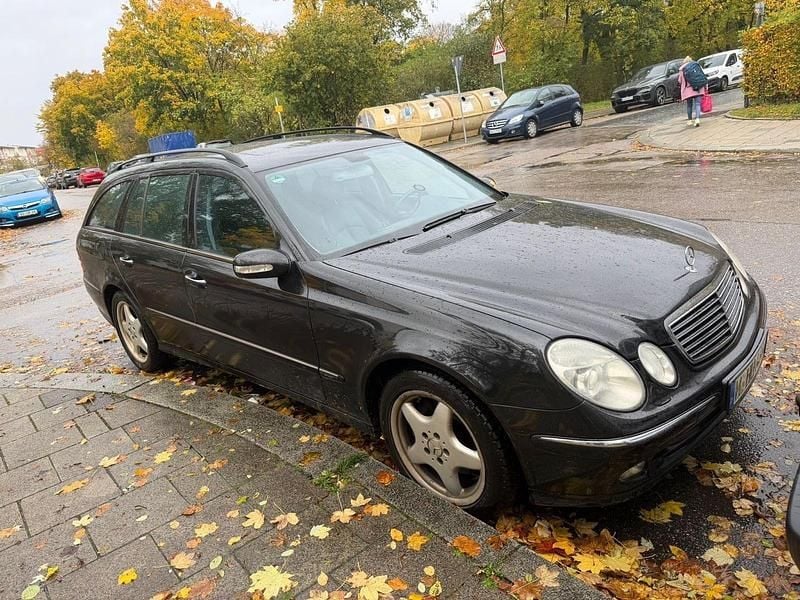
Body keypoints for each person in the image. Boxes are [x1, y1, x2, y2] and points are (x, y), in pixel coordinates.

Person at [678, 56, 707, 127]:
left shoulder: (682, 69)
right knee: (697, 104)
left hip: (688, 90)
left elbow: (680, 80)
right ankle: (697, 119)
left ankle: (690, 120)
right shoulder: (696, 66)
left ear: (684, 62)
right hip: (698, 88)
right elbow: (702, 76)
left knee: (689, 105)